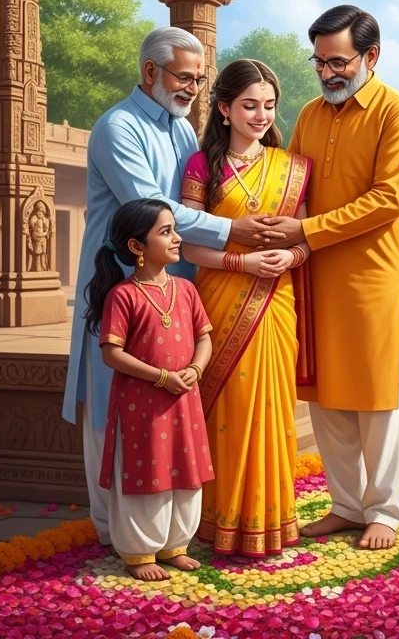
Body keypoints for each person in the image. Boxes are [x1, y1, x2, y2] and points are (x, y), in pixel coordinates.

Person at [61, 27, 283, 546]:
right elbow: (151, 210)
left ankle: (165, 532)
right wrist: (234, 232)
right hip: (122, 280)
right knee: (114, 396)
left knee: (169, 403)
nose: (192, 89)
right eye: (184, 77)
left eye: (198, 80)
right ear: (149, 73)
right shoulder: (118, 128)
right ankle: (111, 530)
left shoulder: (183, 131)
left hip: (179, 285)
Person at [272, 5, 399, 551]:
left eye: (337, 61)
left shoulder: (398, 114)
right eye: (318, 62)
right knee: (327, 395)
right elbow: (289, 183)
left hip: (375, 280)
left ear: (371, 56)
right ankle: (346, 504)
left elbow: (387, 201)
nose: (327, 72)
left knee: (380, 401)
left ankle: (384, 510)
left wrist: (305, 231)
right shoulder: (310, 114)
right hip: (316, 277)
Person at [178, 58, 314, 558]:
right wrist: (244, 262)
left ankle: (270, 523)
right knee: (226, 410)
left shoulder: (293, 167)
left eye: (269, 106)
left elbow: (303, 238)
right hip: (222, 298)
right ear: (223, 108)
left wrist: (291, 254)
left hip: (275, 304)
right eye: (249, 105)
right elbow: (191, 249)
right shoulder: (201, 167)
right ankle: (216, 523)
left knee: (272, 409)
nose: (261, 116)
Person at [82, 198, 214, 580]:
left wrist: (195, 369)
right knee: (147, 468)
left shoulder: (186, 290)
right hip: (142, 403)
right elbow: (112, 354)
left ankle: (175, 543)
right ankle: (140, 551)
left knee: (184, 467)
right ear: (137, 247)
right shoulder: (123, 295)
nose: (177, 238)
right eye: (166, 231)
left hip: (184, 398)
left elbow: (204, 338)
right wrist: (161, 377)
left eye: (175, 229)